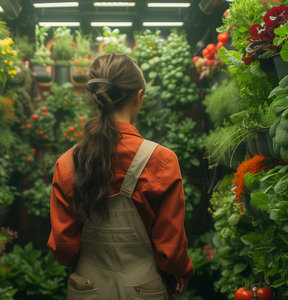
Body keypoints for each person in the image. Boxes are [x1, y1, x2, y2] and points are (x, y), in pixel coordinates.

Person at [48, 53, 194, 300]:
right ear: (138, 97)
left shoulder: (67, 163)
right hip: (145, 289)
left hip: (87, 289)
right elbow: (170, 249)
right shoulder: (162, 160)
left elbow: (64, 248)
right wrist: (180, 271)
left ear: (97, 99)